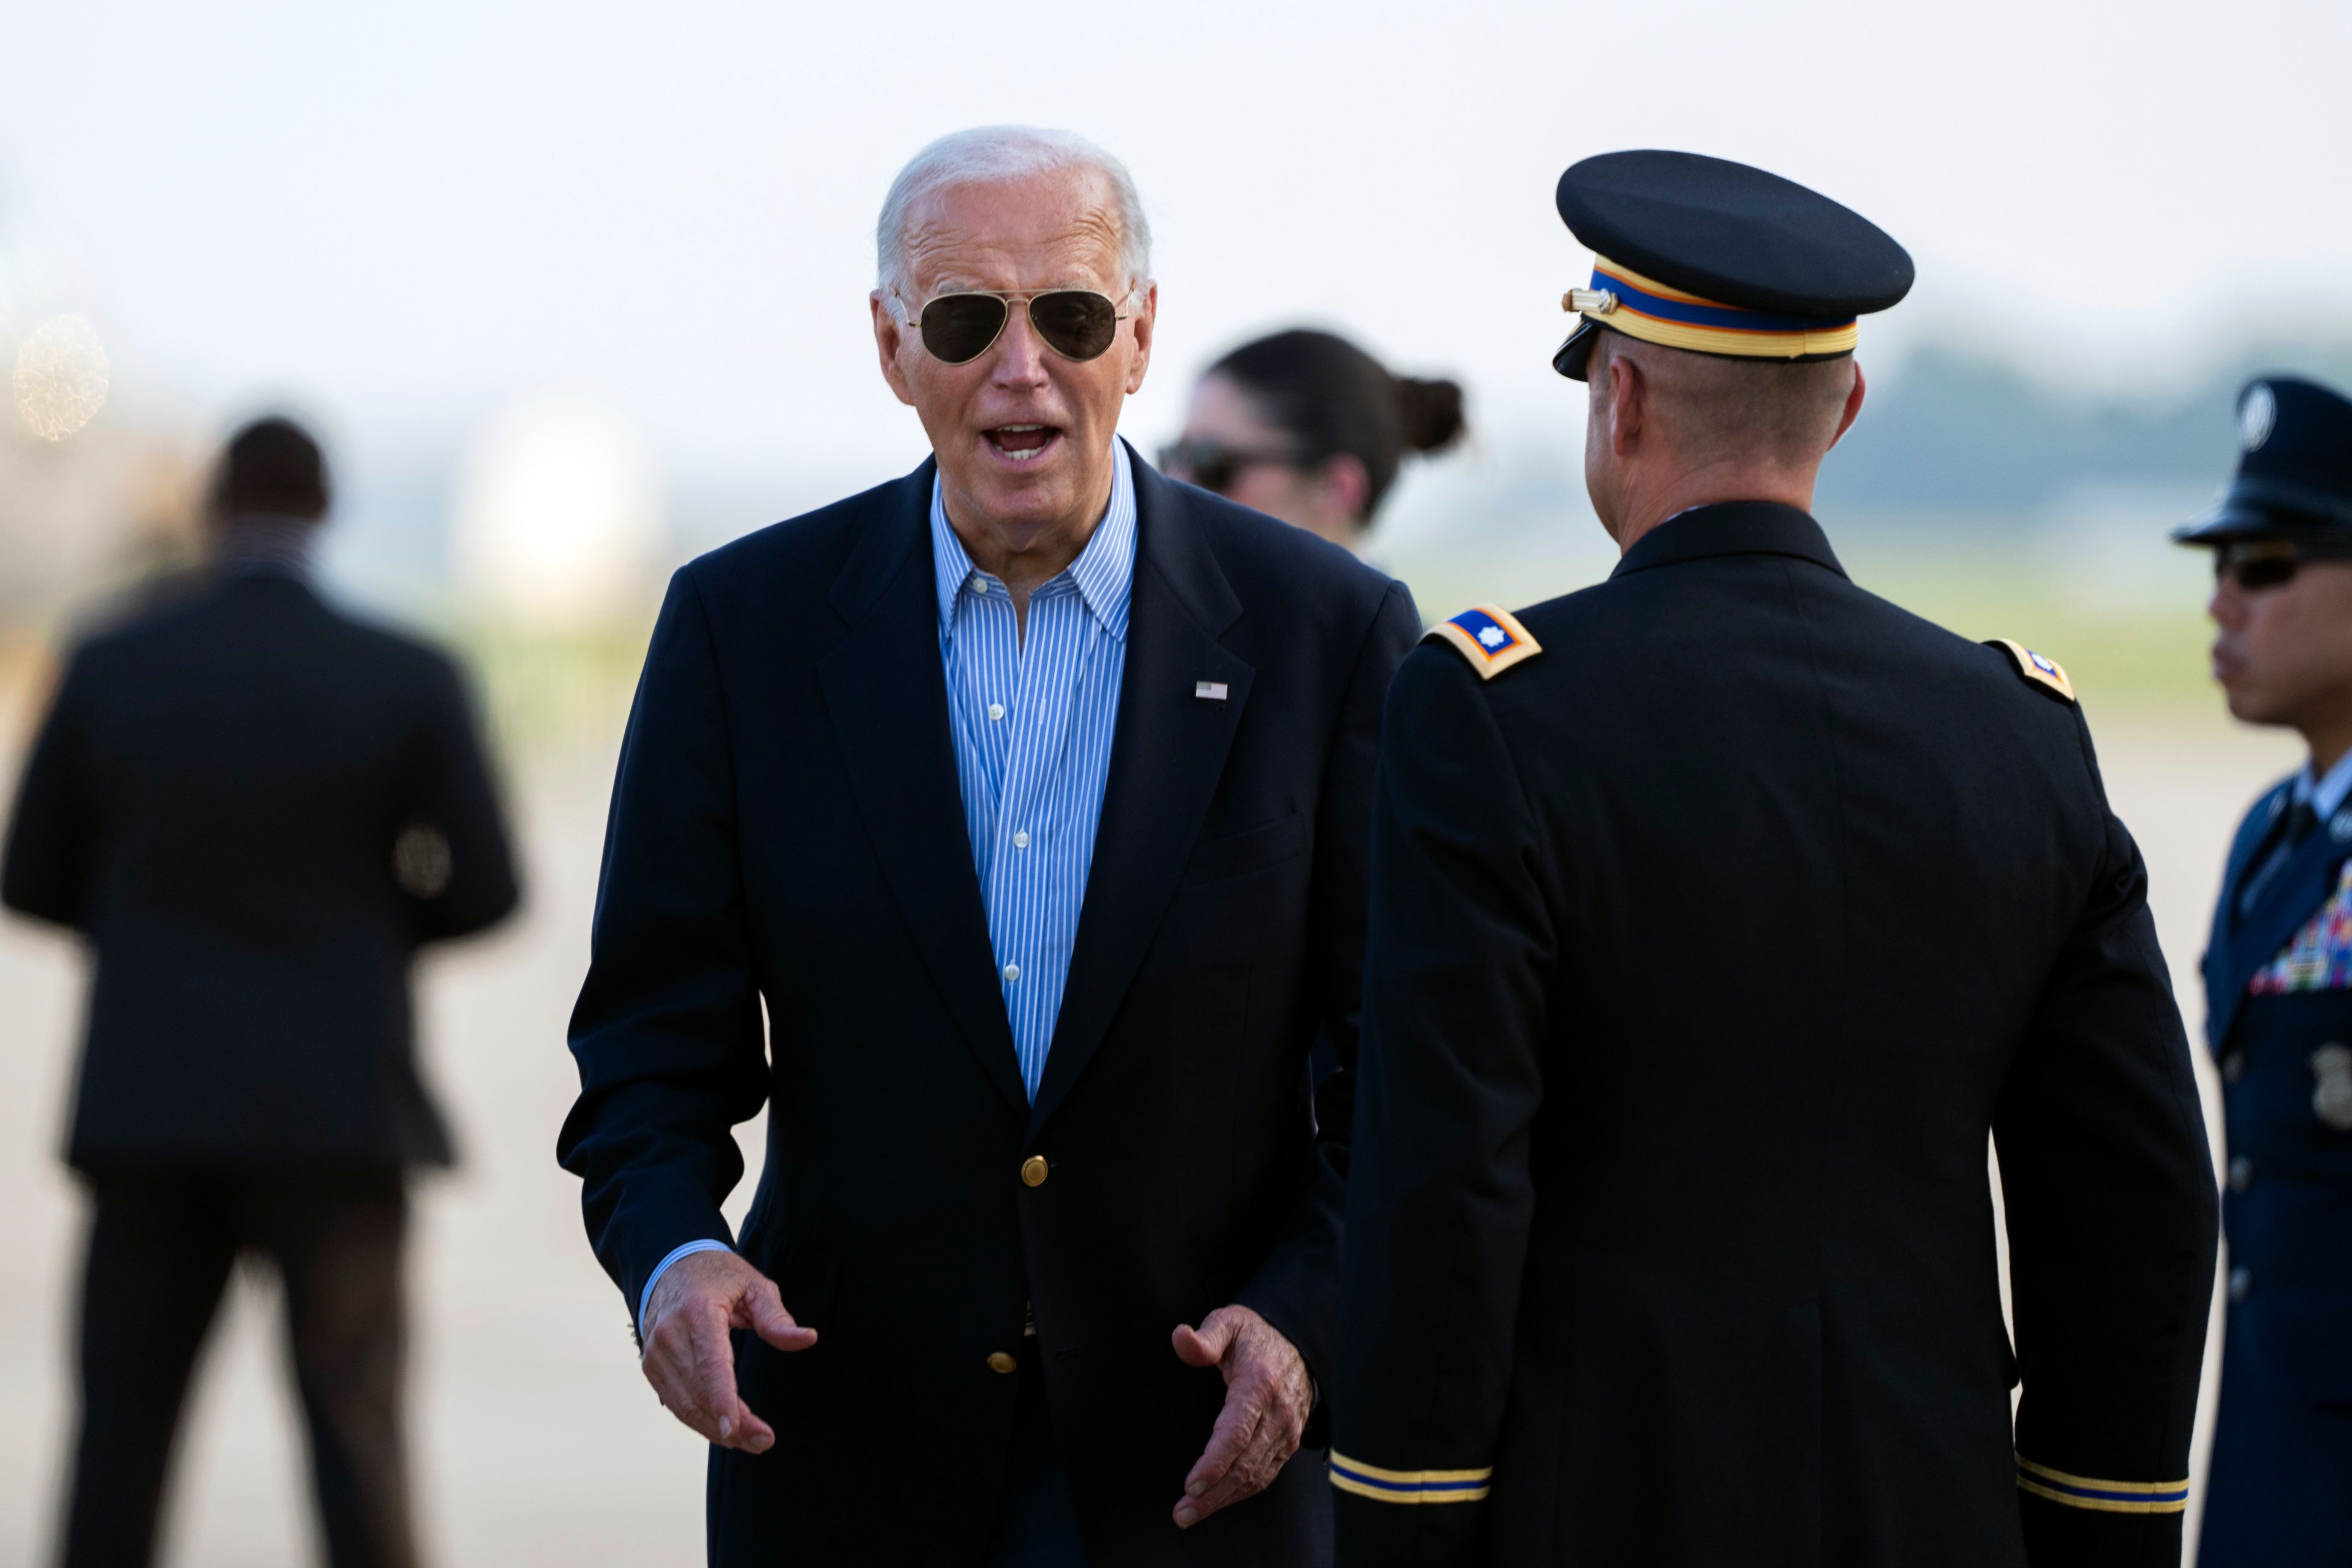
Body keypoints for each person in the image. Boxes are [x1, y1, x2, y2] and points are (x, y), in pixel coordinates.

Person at [1328, 149, 2220, 1567]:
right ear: (1844, 408)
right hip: (1930, 1506)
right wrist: (2088, 1527)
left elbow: (1444, 1179)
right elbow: (2132, 1197)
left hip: (1601, 1504)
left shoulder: (1499, 707)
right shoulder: (2015, 728)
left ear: (1617, 397)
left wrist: (1404, 1523)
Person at [556, 126, 1417, 1567]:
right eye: (965, 319)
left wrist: (1305, 1315)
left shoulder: (1325, 631)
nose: (1020, 364)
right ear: (893, 346)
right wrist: (671, 1252)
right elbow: (647, 1046)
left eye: (1069, 316)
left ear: (1138, 335)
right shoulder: (740, 629)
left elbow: (1394, 1064)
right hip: (845, 1466)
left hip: (1199, 1470)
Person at [2, 415, 519, 1568]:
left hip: (147, 1113)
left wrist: (146, 933)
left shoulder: (110, 658)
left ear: (215, 505)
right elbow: (489, 890)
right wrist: (367, 933)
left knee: (121, 1446)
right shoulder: (406, 672)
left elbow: (27, 875)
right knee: (358, 1441)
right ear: (324, 509)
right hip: (336, 1114)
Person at [2173, 374, 2352, 1567]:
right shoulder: (2273, 830)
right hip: (2271, 1471)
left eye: (2268, 563)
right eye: (2220, 560)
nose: (2222, 598)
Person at [1159, 329, 1465, 554]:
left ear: (1336, 488)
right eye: (1171, 457)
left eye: (1211, 465)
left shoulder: (1400, 642)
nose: (1174, 484)